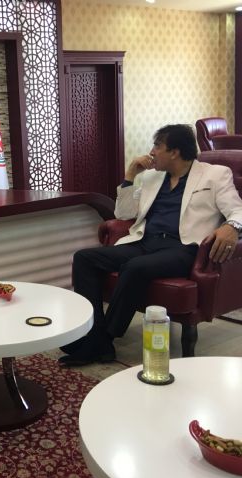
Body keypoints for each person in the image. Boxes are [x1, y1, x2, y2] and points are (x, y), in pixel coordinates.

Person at [59, 124, 242, 366]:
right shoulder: (151, 177)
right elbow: (123, 213)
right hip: (145, 242)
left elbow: (237, 210)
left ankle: (102, 340)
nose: (152, 152)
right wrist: (130, 176)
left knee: (135, 267)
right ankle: (92, 335)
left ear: (174, 152)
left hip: (183, 248)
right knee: (84, 258)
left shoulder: (215, 175)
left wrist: (232, 227)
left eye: (157, 146)